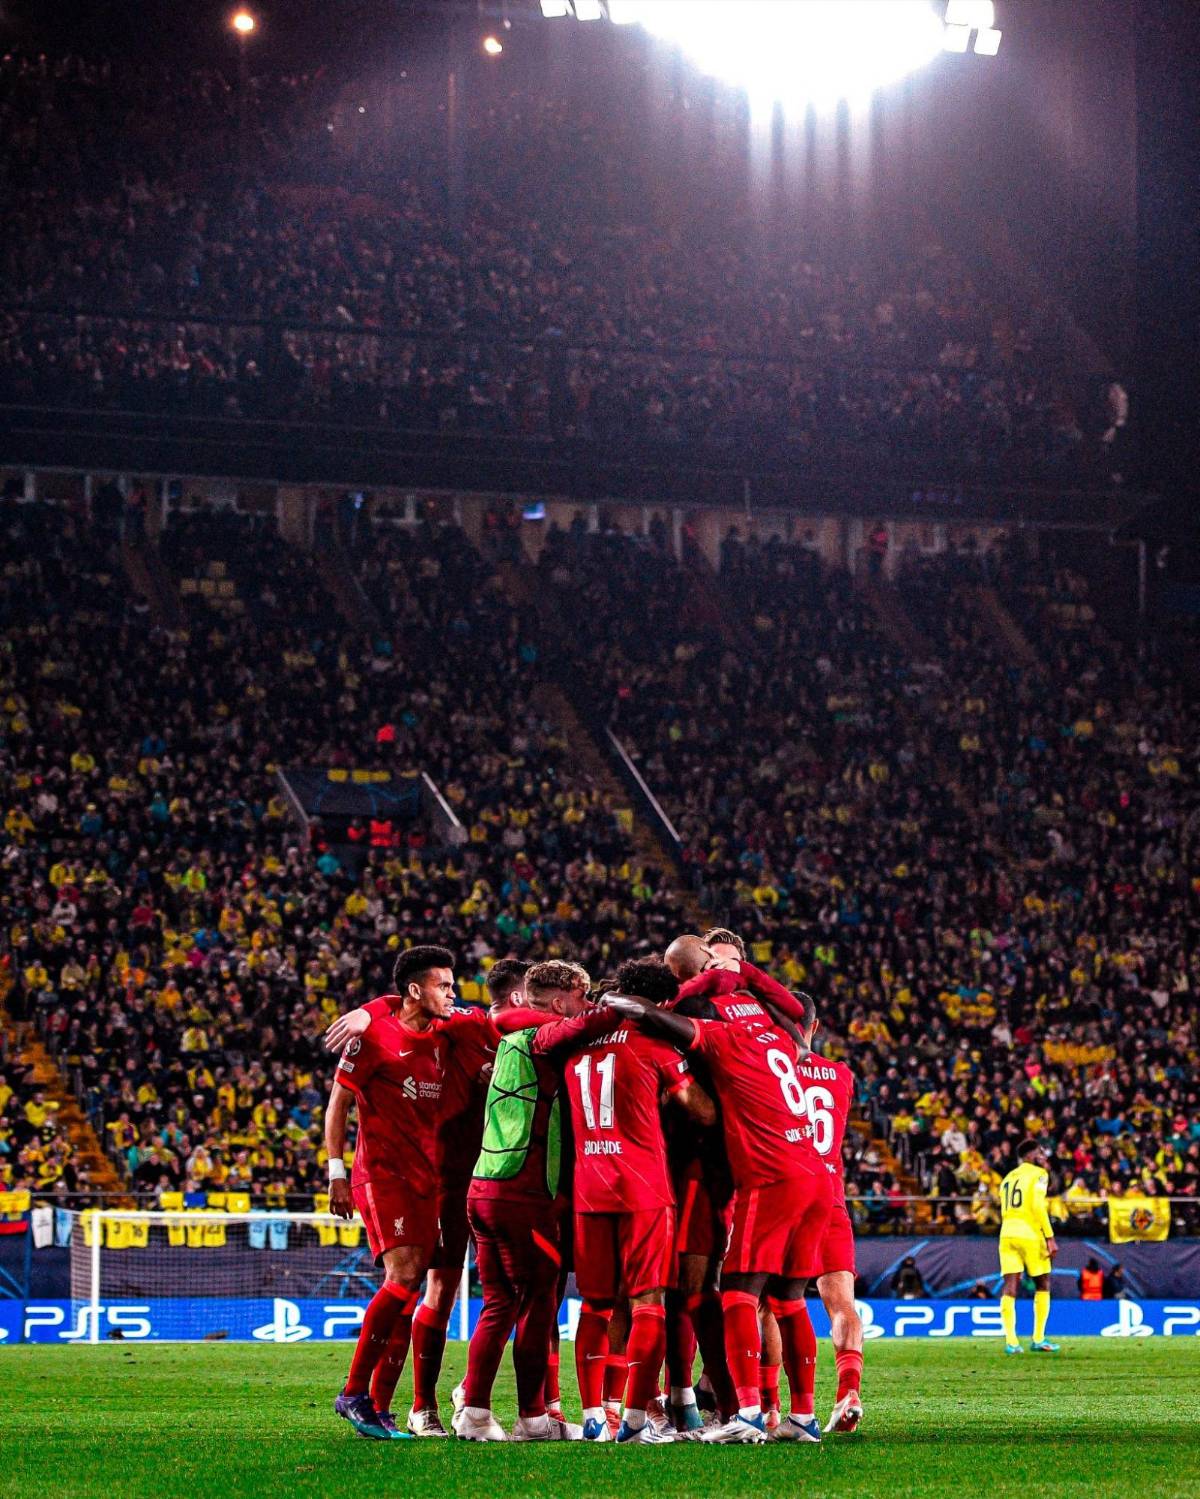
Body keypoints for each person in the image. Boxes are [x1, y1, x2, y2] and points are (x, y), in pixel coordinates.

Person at [610, 977, 834, 1444]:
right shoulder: (779, 1037)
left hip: (768, 1178)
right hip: (817, 1175)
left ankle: (747, 1413)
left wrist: (610, 1000)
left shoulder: (722, 1036)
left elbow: (652, 1017)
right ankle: (802, 1417)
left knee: (735, 1293)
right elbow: (799, 1032)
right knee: (789, 1300)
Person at [454, 961, 615, 1442]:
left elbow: (509, 1019)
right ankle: (530, 1417)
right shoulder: (545, 1038)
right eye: (582, 997)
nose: (588, 1004)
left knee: (500, 1303)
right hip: (524, 1192)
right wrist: (620, 1010)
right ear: (561, 1002)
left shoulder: (510, 1035)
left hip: (484, 1187)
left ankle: (476, 1414)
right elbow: (592, 1022)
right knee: (539, 1301)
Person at [563, 956, 716, 1445]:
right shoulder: (655, 1044)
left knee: (596, 1305)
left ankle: (594, 1416)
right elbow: (703, 1112)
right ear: (660, 1002)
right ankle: (633, 1421)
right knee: (649, 1301)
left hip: (589, 1186)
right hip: (643, 1189)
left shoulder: (577, 1042)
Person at [326, 945, 459, 1440]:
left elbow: (493, 1014)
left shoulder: (446, 1032)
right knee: (402, 1278)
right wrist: (336, 1172)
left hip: (428, 1178)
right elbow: (338, 1104)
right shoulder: (372, 1036)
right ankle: (354, 1391)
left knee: (408, 1291)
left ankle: (379, 1406)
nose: (451, 993)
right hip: (383, 1175)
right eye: (443, 985)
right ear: (415, 990)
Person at [998, 1139, 1059, 1355]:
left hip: (1006, 1233)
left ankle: (1012, 1342)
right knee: (1043, 1282)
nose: (1043, 1156)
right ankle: (1039, 1338)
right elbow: (1037, 1206)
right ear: (1031, 1156)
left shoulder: (1007, 1178)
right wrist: (1049, 1237)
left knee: (1010, 1286)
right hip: (1029, 1233)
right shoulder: (1038, 1174)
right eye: (1040, 1153)